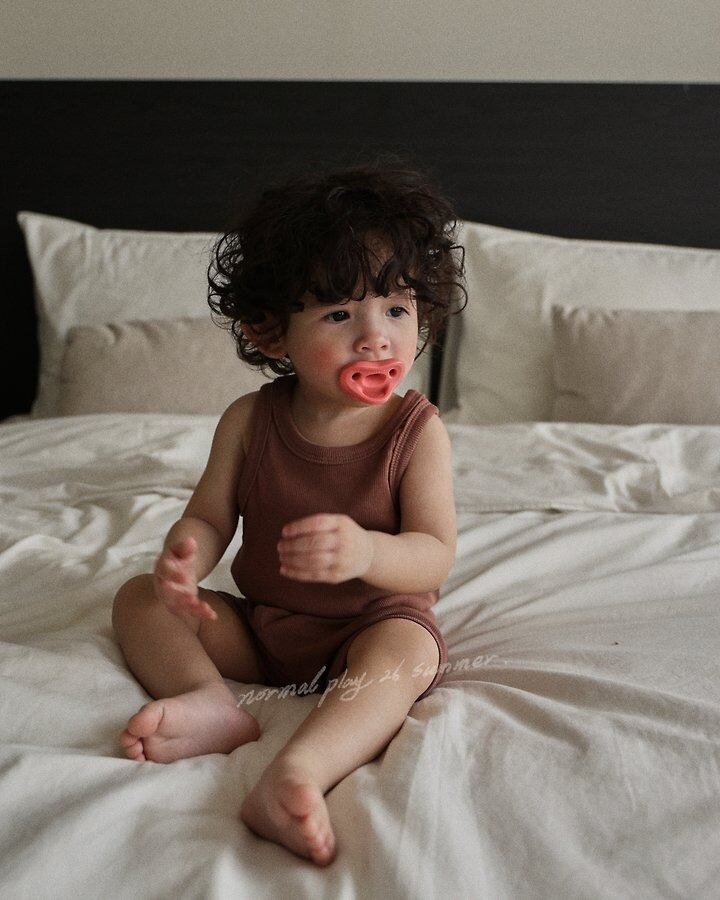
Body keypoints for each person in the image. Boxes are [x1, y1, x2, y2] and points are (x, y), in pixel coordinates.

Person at [111, 155, 467, 867]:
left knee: (410, 653)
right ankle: (210, 703)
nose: (376, 336)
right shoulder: (249, 420)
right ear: (271, 333)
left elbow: (434, 553)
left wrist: (368, 552)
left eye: (397, 309)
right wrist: (186, 557)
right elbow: (210, 518)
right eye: (339, 313)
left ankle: (298, 770)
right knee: (138, 599)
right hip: (263, 629)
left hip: (369, 625)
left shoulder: (416, 431)